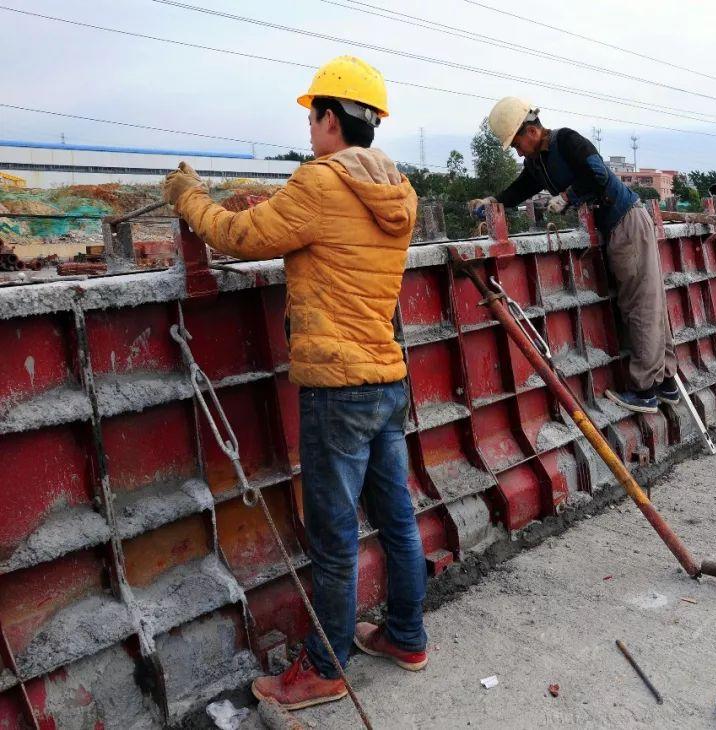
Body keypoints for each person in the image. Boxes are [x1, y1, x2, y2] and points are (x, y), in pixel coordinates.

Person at [162, 55, 428, 711]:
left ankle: (324, 667)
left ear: (331, 119)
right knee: (397, 518)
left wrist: (187, 196)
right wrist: (285, 208)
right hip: (387, 379)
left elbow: (234, 235)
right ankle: (405, 635)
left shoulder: (318, 183)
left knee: (334, 537)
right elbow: (331, 237)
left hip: (337, 388)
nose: (310, 130)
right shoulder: (397, 188)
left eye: (313, 117)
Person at [468, 97, 678, 414]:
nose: (517, 150)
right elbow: (519, 189)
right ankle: (666, 384)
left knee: (640, 305)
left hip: (626, 222)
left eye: (516, 143)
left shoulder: (567, 140)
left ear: (531, 130)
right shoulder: (537, 164)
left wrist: (568, 196)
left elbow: (599, 175)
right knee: (643, 301)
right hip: (615, 229)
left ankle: (646, 391)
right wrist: (493, 202)